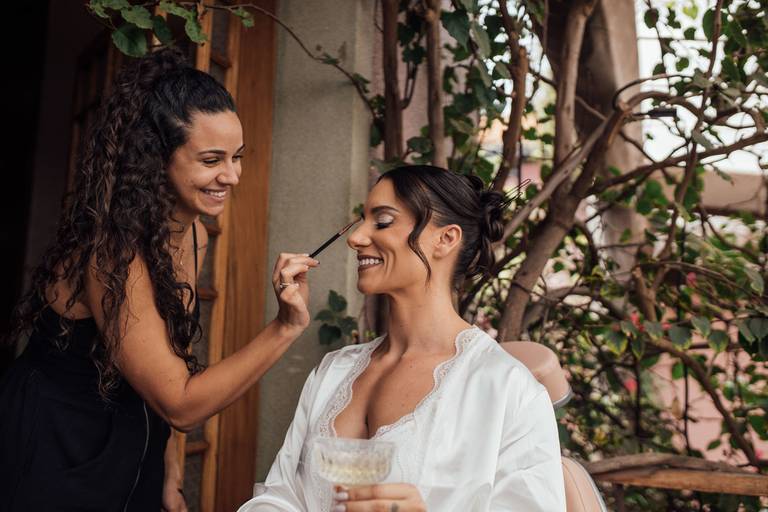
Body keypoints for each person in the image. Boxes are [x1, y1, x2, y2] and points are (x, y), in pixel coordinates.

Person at [0, 47, 317, 512]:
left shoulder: (194, 235)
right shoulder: (112, 252)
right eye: (211, 160)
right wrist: (284, 328)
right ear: (157, 159)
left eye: (237, 157)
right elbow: (179, 402)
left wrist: (168, 470)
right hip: (57, 444)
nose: (232, 176)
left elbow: (168, 363)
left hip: (131, 441)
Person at [239, 165, 565, 512]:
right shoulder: (333, 371)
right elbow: (280, 496)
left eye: (382, 221)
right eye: (361, 220)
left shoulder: (507, 389)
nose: (356, 238)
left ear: (446, 239)